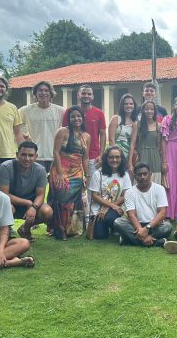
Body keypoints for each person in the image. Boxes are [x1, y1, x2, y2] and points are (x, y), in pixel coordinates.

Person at [0, 141, 53, 242]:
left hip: (30, 204)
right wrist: (27, 203)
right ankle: (6, 231)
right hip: (9, 202)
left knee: (47, 211)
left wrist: (34, 207)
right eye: (23, 155)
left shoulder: (40, 170)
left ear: (36, 156)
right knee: (8, 207)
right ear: (17, 155)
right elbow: (3, 194)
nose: (27, 159)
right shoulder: (6, 167)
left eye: (30, 155)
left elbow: (40, 195)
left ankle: (25, 229)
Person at [50, 106, 91, 240]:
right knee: (61, 199)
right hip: (61, 169)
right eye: (73, 116)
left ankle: (72, 229)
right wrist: (60, 173)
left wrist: (87, 175)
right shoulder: (63, 131)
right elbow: (56, 152)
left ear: (82, 118)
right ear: (69, 118)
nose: (76, 119)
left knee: (75, 201)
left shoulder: (86, 136)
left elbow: (85, 157)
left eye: (78, 116)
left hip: (77, 172)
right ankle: (59, 229)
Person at [113, 162, 173, 247]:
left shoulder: (159, 189)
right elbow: (131, 215)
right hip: (136, 225)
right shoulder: (130, 192)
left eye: (145, 174)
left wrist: (148, 228)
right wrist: (141, 230)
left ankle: (128, 240)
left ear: (150, 174)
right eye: (139, 174)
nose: (142, 177)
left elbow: (162, 213)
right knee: (118, 222)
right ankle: (159, 242)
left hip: (154, 225)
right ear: (135, 176)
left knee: (167, 226)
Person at [19, 81, 64, 172]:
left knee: (55, 185)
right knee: (36, 185)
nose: (43, 93)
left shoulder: (60, 110)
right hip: (34, 155)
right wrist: (25, 137)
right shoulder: (26, 110)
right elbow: (14, 125)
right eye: (40, 90)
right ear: (35, 94)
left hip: (55, 155)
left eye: (46, 91)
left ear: (51, 93)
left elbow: (68, 129)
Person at [87, 146, 131, 240]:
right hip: (99, 210)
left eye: (117, 157)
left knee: (109, 218)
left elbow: (125, 195)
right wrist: (110, 206)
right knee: (100, 236)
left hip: (117, 208)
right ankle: (114, 227)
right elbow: (94, 196)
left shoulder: (125, 175)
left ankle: (118, 227)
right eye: (111, 157)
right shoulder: (98, 174)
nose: (114, 160)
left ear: (121, 158)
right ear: (106, 159)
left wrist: (109, 206)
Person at [63, 85, 106, 175]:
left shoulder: (99, 113)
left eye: (89, 94)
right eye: (83, 93)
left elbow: (102, 134)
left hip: (93, 156)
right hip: (72, 154)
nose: (86, 95)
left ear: (92, 96)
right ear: (78, 95)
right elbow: (65, 131)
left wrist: (101, 154)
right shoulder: (70, 111)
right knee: (73, 184)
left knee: (91, 185)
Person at [129, 101, 164, 183]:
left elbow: (159, 146)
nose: (149, 111)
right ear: (143, 111)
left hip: (155, 157)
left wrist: (163, 162)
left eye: (152, 109)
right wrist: (130, 162)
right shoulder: (137, 124)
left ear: (155, 111)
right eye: (147, 109)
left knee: (155, 182)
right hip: (142, 156)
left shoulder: (159, 125)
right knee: (140, 180)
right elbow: (132, 144)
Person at [108, 93, 138, 159]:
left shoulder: (136, 122)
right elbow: (111, 140)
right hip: (116, 156)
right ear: (122, 105)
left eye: (131, 104)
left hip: (131, 157)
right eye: (126, 104)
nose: (128, 106)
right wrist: (117, 156)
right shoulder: (116, 119)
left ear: (134, 105)